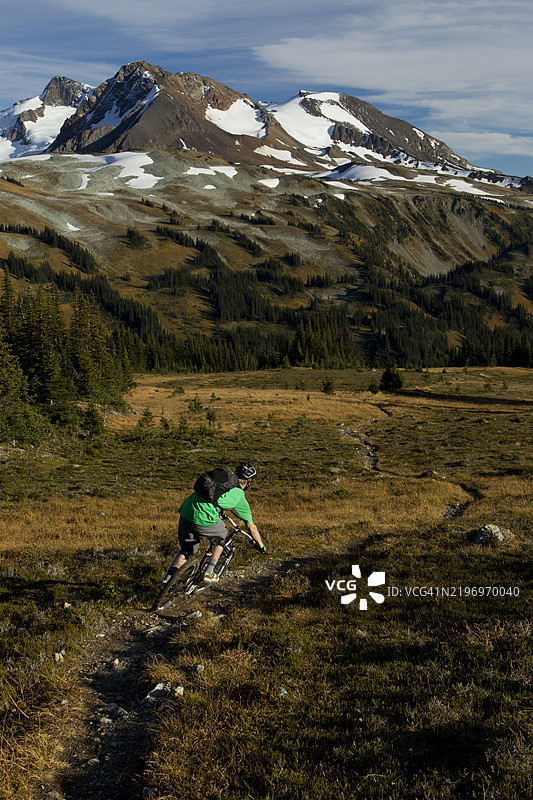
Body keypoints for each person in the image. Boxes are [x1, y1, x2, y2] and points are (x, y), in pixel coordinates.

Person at [160, 462, 265, 585]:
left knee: (186, 551)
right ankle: (208, 572)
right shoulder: (239, 495)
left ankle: (167, 580)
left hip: (186, 510)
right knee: (222, 535)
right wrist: (261, 546)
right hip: (203, 517)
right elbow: (251, 527)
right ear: (249, 482)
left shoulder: (221, 481)